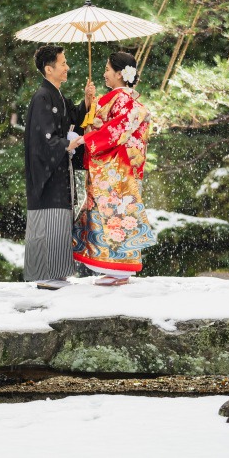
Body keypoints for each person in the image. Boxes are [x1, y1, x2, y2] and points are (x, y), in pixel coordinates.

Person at [73, 52, 156, 286]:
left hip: (117, 166)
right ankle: (118, 269)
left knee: (116, 214)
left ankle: (120, 269)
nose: (104, 73)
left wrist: (88, 137)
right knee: (117, 215)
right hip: (121, 165)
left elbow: (115, 129)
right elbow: (103, 123)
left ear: (120, 74)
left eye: (108, 69)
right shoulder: (119, 98)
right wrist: (90, 103)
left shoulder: (123, 99)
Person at [24, 45, 94, 289]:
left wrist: (86, 101)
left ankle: (57, 273)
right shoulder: (42, 97)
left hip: (59, 171)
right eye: (63, 63)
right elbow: (44, 138)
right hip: (48, 172)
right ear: (48, 69)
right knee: (50, 218)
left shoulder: (58, 97)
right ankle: (45, 274)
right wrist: (66, 143)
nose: (67, 67)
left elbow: (74, 116)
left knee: (60, 219)